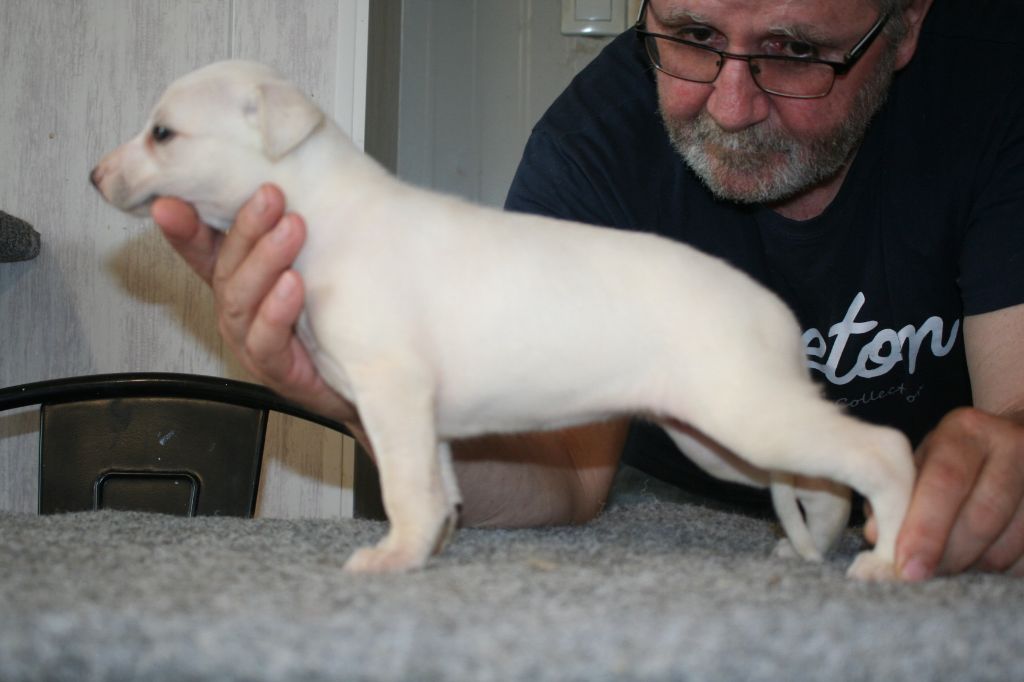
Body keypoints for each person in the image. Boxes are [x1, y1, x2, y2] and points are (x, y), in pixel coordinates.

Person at [151, 0, 1024, 579]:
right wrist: (347, 389)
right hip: (672, 522)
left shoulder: (1000, 81)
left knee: (758, 427)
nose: (728, 106)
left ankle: (862, 470)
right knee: (738, 437)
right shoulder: (590, 144)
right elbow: (562, 480)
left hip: (902, 507)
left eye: (795, 51)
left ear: (907, 23)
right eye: (691, 33)